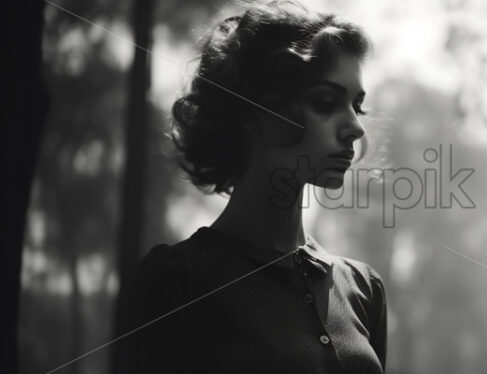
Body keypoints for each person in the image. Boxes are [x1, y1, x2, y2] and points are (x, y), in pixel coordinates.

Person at [121, 1, 387, 373]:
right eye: (326, 103)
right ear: (254, 111)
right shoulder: (180, 281)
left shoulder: (363, 289)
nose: (356, 128)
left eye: (356, 105)